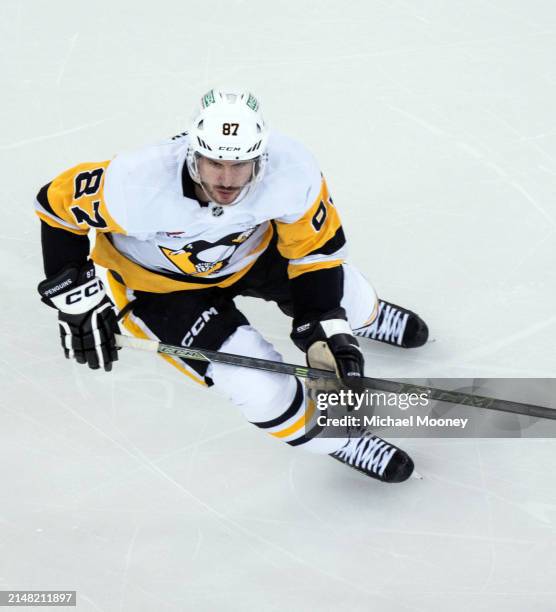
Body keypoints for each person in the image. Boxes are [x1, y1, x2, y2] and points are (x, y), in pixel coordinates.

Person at [35, 89, 428, 484]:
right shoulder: (136, 181)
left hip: (251, 254)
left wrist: (326, 325)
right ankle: (338, 439)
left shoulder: (291, 170)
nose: (226, 180)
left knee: (350, 299)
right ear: (193, 153)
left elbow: (314, 252)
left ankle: (366, 317)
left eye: (240, 165)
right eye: (214, 163)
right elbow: (54, 207)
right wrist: (76, 302)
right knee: (258, 387)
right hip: (160, 289)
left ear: (261, 157)